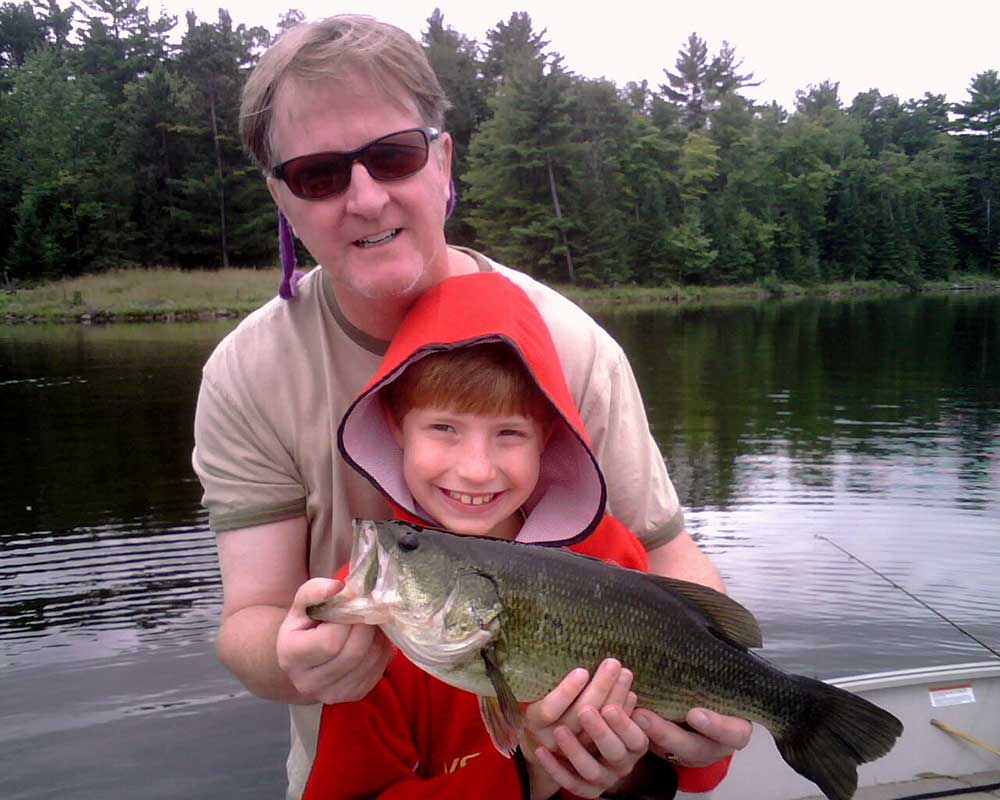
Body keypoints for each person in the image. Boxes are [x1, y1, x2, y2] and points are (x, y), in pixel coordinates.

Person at [191, 13, 750, 799]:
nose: (364, 196)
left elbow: (665, 555)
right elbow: (249, 614)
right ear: (281, 194)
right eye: (318, 173)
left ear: (442, 159)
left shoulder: (571, 348)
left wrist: (711, 713)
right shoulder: (248, 376)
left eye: (393, 155)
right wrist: (286, 661)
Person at [303, 269, 732, 799]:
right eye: (444, 428)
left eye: (509, 433)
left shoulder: (613, 554)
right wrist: (526, 774)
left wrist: (675, 754)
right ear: (396, 426)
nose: (477, 469)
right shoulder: (371, 619)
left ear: (546, 437)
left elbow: (692, 770)